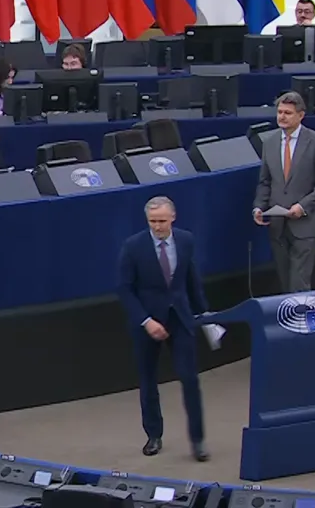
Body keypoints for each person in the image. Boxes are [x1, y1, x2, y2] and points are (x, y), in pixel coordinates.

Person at [115, 196, 209, 462]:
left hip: (180, 317)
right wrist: (146, 321)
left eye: (162, 221)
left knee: (190, 379)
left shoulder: (186, 240)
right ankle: (154, 435)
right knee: (148, 381)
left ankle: (198, 440)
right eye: (152, 221)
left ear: (173, 218)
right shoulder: (133, 247)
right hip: (147, 322)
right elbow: (124, 289)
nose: (157, 227)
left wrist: (205, 315)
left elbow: (192, 280)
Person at [253, 92, 315, 292]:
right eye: (280, 112)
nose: (282, 117)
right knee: (284, 279)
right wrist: (258, 207)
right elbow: (265, 181)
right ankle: (288, 319)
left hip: (305, 224)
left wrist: (303, 206)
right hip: (277, 224)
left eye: (288, 113)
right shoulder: (269, 142)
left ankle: (299, 321)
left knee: (298, 281)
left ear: (301, 115)